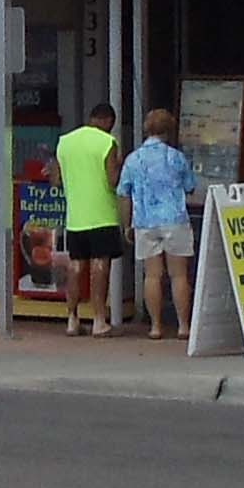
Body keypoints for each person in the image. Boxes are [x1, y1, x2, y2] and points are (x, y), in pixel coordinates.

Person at [117, 107, 197, 340]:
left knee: (152, 275)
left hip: (145, 221)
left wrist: (127, 224)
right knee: (179, 275)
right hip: (174, 219)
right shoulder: (176, 157)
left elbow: (124, 193)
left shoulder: (133, 159)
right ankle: (183, 326)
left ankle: (155, 326)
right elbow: (190, 186)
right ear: (169, 130)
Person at [48, 102, 124, 337]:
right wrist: (121, 166)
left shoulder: (65, 141)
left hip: (75, 217)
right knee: (100, 266)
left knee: (76, 266)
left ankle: (72, 318)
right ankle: (99, 320)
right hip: (103, 215)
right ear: (108, 121)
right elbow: (112, 180)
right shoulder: (107, 143)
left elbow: (55, 180)